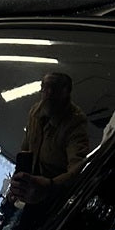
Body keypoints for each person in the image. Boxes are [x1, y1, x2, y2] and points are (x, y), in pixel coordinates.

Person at [7, 72, 89, 204]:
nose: (48, 93)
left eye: (54, 88)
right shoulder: (36, 111)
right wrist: (18, 184)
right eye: (44, 87)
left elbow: (79, 169)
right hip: (31, 185)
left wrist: (50, 186)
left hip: (56, 194)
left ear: (66, 92)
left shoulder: (75, 123)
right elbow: (26, 149)